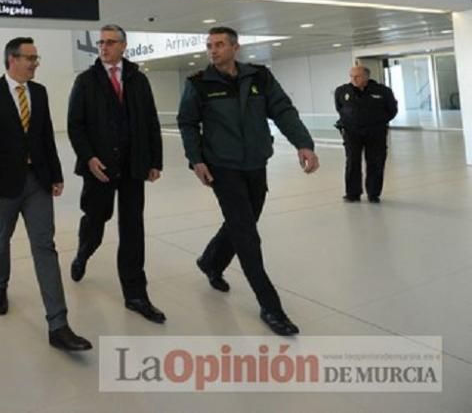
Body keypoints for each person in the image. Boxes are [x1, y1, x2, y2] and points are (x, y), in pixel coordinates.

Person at [177, 26, 319, 337]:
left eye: (218, 45)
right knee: (246, 234)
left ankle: (211, 261)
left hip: (256, 163)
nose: (212, 50)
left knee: (244, 221)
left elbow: (282, 110)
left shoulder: (259, 77)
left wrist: (303, 143)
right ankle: (270, 306)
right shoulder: (199, 84)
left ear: (235, 47)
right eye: (209, 45)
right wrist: (196, 160)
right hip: (222, 166)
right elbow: (187, 123)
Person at [0, 37, 92, 352]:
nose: (36, 63)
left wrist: (56, 174)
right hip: (3, 185)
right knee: (1, 239)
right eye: (31, 58)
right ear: (12, 59)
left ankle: (58, 324)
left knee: (45, 246)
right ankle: (0, 285)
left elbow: (45, 136)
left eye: (36, 58)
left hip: (37, 182)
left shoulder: (38, 92)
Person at [67, 24, 166, 323]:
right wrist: (89, 158)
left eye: (110, 42)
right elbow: (76, 125)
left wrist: (155, 161)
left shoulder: (138, 79)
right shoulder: (85, 81)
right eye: (101, 43)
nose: (104, 47)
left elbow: (150, 121)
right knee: (96, 219)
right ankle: (84, 252)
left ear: (124, 46)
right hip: (100, 169)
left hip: (134, 167)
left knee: (133, 229)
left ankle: (136, 294)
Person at [335, 65, 398, 203]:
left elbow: (392, 110)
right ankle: (353, 193)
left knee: (376, 161)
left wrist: (377, 122)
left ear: (366, 77)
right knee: (352, 161)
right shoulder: (342, 91)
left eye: (357, 76)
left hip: (376, 132)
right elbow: (339, 108)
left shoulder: (382, 91)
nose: (353, 79)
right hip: (352, 132)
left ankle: (373, 193)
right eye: (351, 76)